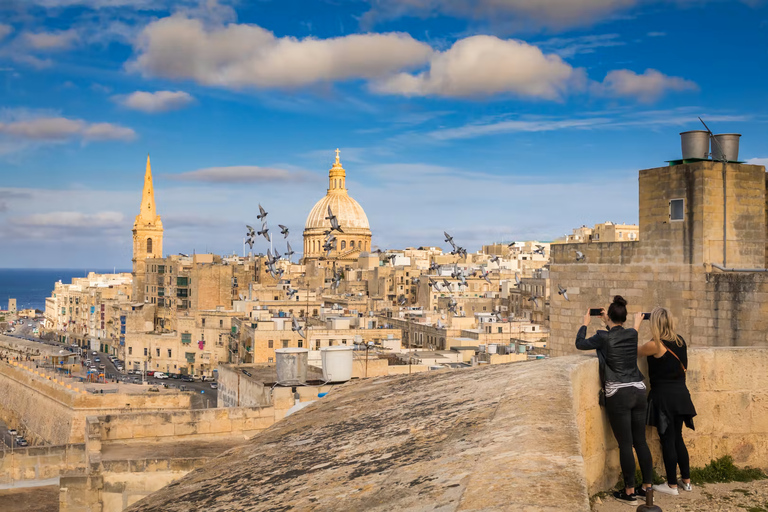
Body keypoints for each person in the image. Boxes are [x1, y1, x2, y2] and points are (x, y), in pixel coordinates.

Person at [576, 295, 653, 505]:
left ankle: (629, 492)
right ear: (624, 318)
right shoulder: (632, 334)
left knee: (626, 444)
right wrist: (607, 321)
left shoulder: (603, 336)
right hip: (638, 389)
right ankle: (647, 487)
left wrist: (585, 324)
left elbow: (580, 344)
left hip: (619, 394)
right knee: (641, 442)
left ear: (609, 316)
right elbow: (619, 337)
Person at [638, 307, 696, 496]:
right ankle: (686, 482)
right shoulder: (680, 341)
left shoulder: (655, 344)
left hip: (664, 398)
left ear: (655, 323)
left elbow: (635, 351)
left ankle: (672, 485)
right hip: (681, 395)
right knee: (678, 437)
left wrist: (636, 325)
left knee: (667, 440)